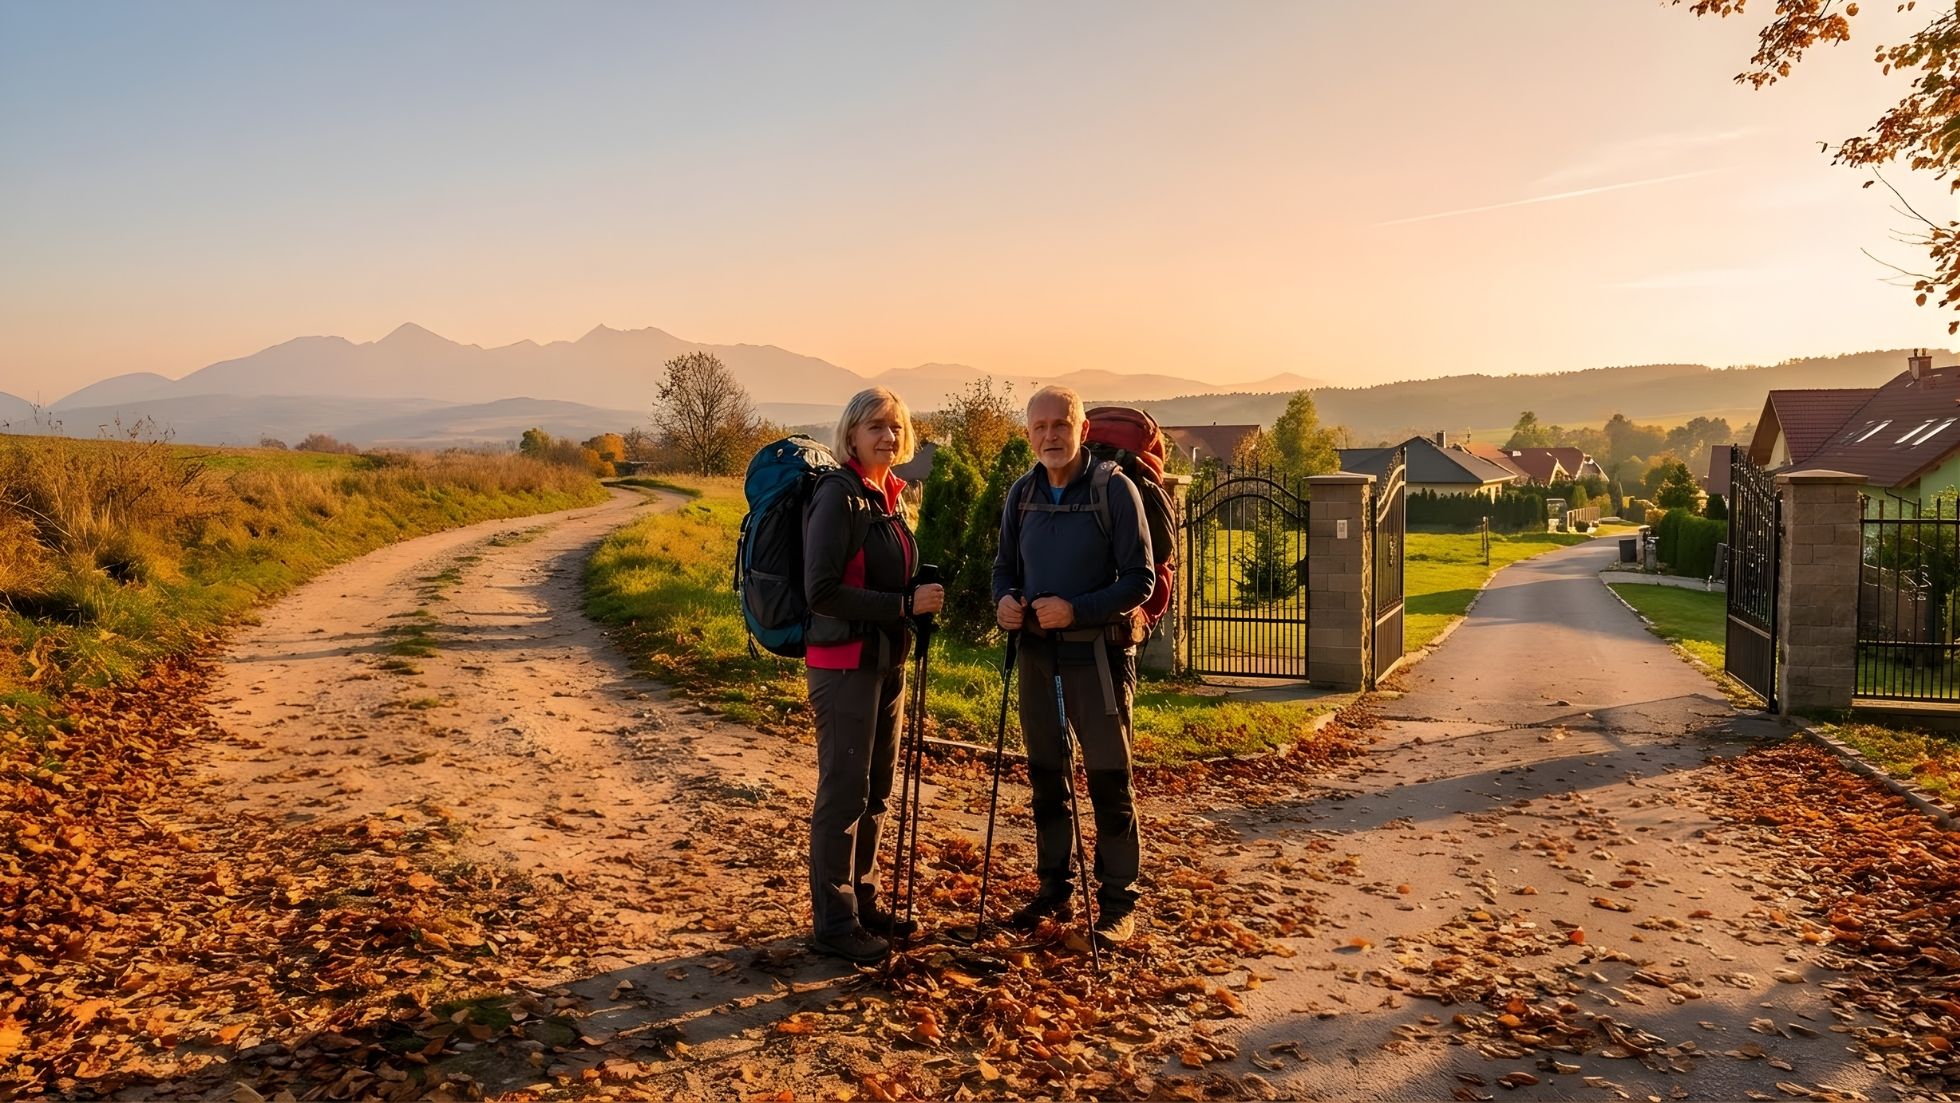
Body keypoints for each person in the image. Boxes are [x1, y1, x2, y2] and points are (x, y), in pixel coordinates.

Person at [992, 385, 1154, 946]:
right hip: (1037, 654)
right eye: (1039, 427)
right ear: (1028, 435)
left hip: (1099, 658)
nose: (1050, 436)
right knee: (1046, 778)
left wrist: (1076, 610)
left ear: (1082, 428)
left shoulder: (1116, 490)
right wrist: (1005, 602)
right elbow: (1003, 569)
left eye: (1060, 424)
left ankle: (1118, 904)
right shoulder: (1022, 494)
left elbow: (1141, 580)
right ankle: (1054, 890)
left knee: (1110, 780)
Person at [803, 386, 944, 964]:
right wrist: (904, 607)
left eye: (895, 427)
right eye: (876, 427)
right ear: (852, 434)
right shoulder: (838, 495)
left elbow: (886, 580)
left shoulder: (889, 496)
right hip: (843, 664)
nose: (888, 436)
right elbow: (823, 590)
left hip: (886, 661)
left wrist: (913, 599)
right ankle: (834, 923)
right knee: (844, 793)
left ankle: (863, 903)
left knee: (876, 792)